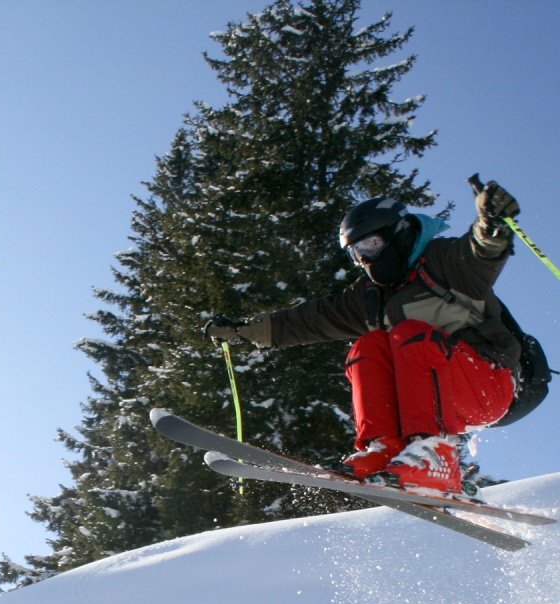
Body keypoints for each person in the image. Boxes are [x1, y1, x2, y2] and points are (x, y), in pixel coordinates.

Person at [206, 181, 522, 494]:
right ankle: (386, 448)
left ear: (397, 234)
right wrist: (246, 331)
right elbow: (314, 319)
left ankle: (435, 456)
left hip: (488, 385)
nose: (365, 260)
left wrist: (491, 223)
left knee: (408, 334)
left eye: (370, 246)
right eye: (356, 253)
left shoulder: (445, 261)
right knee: (367, 346)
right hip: (435, 398)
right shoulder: (371, 296)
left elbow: (481, 251)